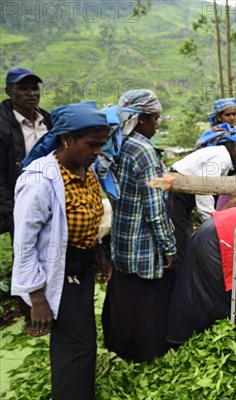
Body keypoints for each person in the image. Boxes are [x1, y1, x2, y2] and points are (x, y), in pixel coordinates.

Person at [12, 102, 113, 400]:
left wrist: (99, 255)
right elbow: (24, 243)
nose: (97, 152)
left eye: (101, 146)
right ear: (67, 139)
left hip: (80, 267)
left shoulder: (86, 171)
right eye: (92, 145)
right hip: (57, 271)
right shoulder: (40, 181)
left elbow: (92, 216)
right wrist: (37, 297)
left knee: (81, 338)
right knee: (76, 345)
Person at [102, 89, 177, 363]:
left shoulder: (117, 144)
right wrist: (169, 248)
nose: (157, 125)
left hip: (121, 241)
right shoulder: (144, 151)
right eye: (155, 119)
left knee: (125, 299)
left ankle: (121, 347)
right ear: (141, 119)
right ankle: (146, 354)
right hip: (144, 246)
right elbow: (155, 211)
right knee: (147, 303)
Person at [167, 206, 236, 346]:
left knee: (197, 289)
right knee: (217, 297)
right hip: (216, 238)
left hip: (217, 230)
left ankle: (183, 338)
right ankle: (181, 340)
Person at [170, 131, 236, 264]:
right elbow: (204, 191)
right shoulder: (220, 158)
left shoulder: (222, 157)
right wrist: (213, 223)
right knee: (182, 242)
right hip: (177, 194)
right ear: (235, 148)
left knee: (185, 238)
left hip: (183, 194)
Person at [0, 67, 51, 237]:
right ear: (9, 91)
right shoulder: (3, 125)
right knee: (25, 255)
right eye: (23, 89)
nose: (31, 93)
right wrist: (11, 212)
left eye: (34, 88)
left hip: (50, 199)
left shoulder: (47, 121)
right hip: (20, 203)